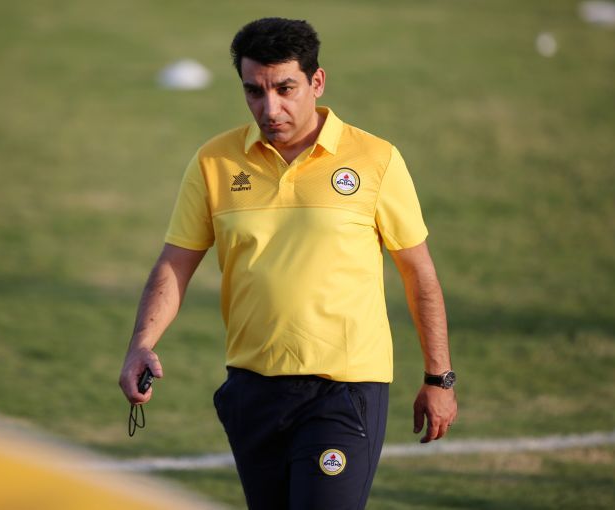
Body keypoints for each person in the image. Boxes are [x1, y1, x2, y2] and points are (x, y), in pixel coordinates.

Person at [119, 17, 457, 510]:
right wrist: (141, 344)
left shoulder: (376, 160)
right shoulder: (214, 162)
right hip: (251, 389)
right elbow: (176, 263)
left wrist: (438, 377)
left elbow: (419, 274)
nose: (270, 107)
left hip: (343, 391)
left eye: (285, 88)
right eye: (254, 91)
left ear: (317, 82)